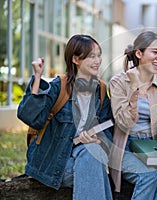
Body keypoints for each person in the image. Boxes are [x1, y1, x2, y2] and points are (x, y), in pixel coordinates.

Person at [17, 34, 113, 200]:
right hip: (52, 161)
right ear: (75, 59)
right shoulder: (59, 86)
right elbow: (31, 117)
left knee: (92, 153)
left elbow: (109, 129)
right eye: (92, 56)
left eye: (99, 55)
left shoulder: (101, 91)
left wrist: (98, 139)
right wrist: (38, 77)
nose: (98, 61)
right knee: (93, 163)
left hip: (86, 156)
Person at [108, 31, 157, 199]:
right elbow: (123, 123)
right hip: (126, 147)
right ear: (139, 53)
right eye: (155, 52)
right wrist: (135, 89)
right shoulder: (118, 82)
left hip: (153, 146)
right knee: (148, 176)